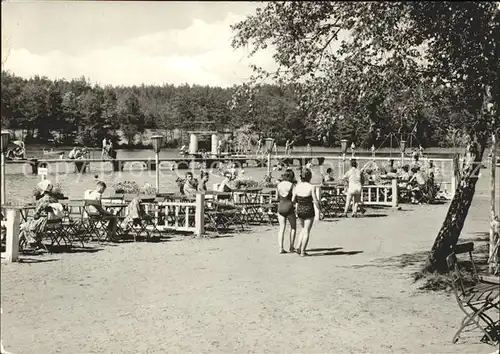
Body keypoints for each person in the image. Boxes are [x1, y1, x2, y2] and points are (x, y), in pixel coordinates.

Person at [19, 180, 63, 248]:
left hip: (43, 224)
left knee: (24, 226)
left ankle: (30, 243)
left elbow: (36, 215)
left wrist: (34, 216)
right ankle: (34, 243)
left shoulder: (42, 200)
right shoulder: (55, 199)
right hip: (55, 223)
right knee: (26, 226)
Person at [292, 168, 321, 257]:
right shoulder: (311, 187)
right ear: (310, 177)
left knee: (303, 229)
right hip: (309, 209)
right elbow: (315, 200)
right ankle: (303, 251)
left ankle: (298, 246)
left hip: (300, 209)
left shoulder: (297, 187)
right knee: (307, 231)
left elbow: (293, 200)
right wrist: (320, 209)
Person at [276, 169, 297, 254]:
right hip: (289, 206)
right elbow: (293, 199)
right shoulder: (292, 185)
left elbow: (276, 198)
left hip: (281, 206)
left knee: (282, 228)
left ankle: (281, 248)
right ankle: (291, 247)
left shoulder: (279, 185)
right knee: (293, 227)